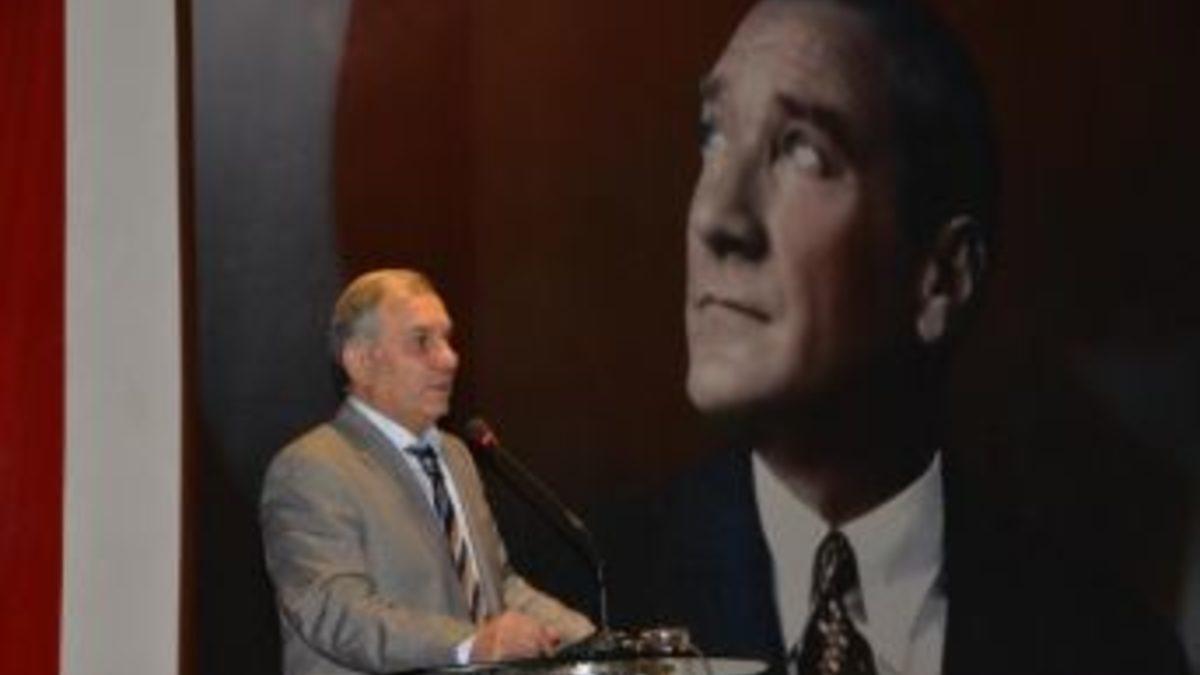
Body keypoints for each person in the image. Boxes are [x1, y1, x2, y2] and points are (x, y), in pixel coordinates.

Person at [602, 1, 1188, 674]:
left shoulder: (1110, 648)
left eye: (803, 151)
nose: (715, 218)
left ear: (942, 279)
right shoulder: (583, 601)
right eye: (713, 135)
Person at [261, 269, 594, 675]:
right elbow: (335, 610)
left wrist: (592, 642)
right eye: (421, 341)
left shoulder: (455, 455)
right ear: (361, 362)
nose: (449, 359)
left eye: (447, 339)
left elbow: (497, 586)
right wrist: (469, 644)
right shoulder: (313, 467)